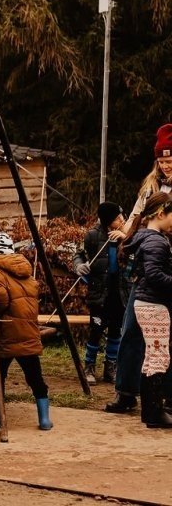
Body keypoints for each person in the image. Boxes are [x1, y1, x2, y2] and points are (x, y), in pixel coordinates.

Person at [106, 123, 172, 413]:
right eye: (162, 161)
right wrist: (126, 233)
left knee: (167, 338)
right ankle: (126, 391)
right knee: (131, 329)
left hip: (168, 265)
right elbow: (136, 215)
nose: (166, 166)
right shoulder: (151, 187)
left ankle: (164, 399)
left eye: (171, 161)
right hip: (146, 263)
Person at [0, 232, 52, 431]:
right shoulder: (26, 272)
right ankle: (44, 419)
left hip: (6, 331)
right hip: (28, 330)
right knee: (34, 376)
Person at [119, 191, 172, 427]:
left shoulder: (146, 238)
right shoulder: (156, 241)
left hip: (147, 303)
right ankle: (154, 413)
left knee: (152, 355)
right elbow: (154, 275)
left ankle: (150, 411)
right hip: (154, 304)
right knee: (159, 356)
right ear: (161, 214)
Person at [73, 202, 128, 385]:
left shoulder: (126, 233)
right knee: (96, 330)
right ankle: (89, 367)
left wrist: (125, 237)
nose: (122, 220)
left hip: (119, 291)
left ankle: (110, 367)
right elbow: (79, 254)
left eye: (122, 216)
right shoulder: (93, 235)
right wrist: (79, 266)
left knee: (115, 331)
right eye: (117, 218)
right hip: (99, 291)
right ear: (107, 221)